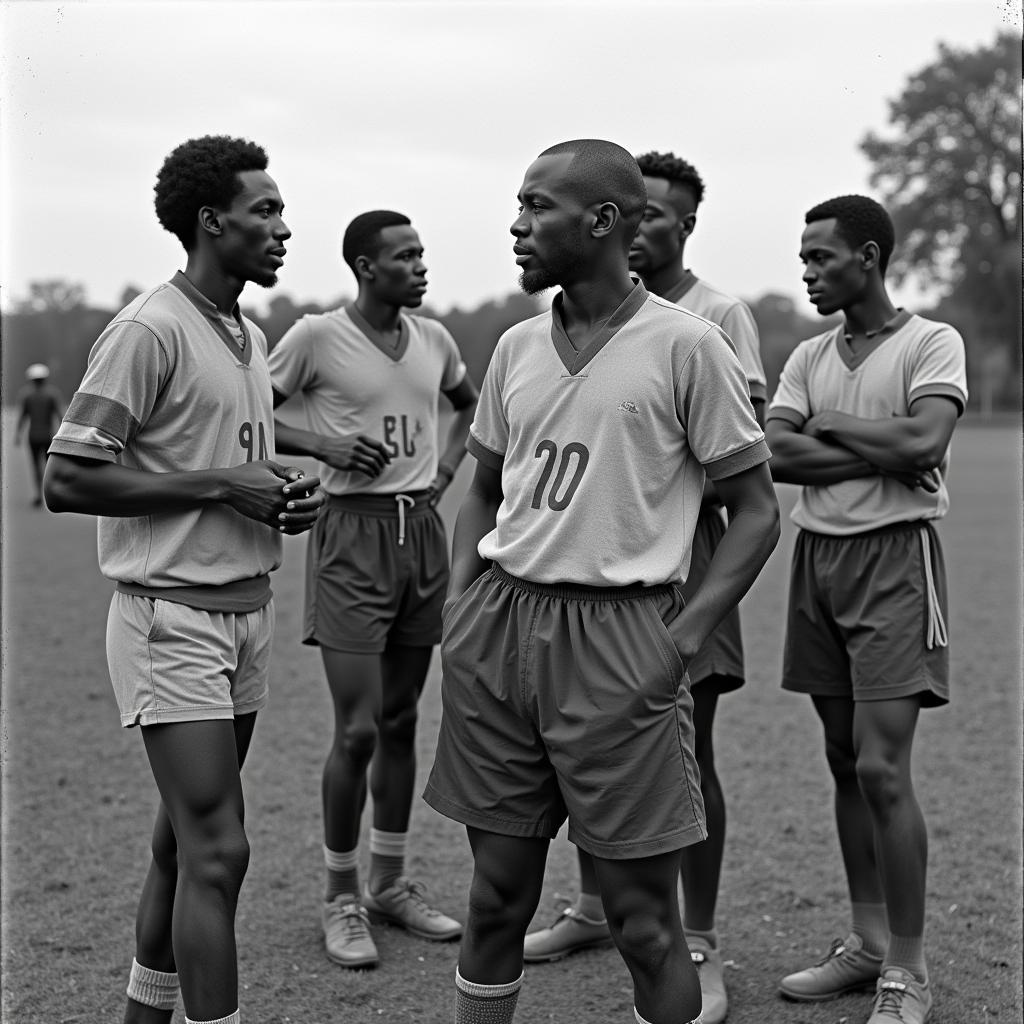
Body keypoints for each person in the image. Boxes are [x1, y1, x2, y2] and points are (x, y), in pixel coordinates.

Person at [423, 139, 780, 1024]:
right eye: (518, 204)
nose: (517, 223)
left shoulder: (688, 346)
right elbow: (482, 491)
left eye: (539, 205)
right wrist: (463, 606)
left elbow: (757, 511)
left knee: (644, 922)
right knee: (496, 897)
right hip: (501, 631)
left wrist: (682, 638)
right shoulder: (514, 346)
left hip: (624, 637)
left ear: (605, 221)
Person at [43, 135, 324, 1024]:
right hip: (174, 621)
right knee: (218, 854)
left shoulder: (249, 332)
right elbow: (68, 477)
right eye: (266, 210)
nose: (284, 228)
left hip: (248, 612)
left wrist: (276, 488)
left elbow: (227, 461)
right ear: (212, 221)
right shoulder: (147, 329)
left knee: (183, 841)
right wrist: (219, 484)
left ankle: (144, 1014)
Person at [523, 149, 767, 1024]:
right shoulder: (554, 326)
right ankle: (594, 909)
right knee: (589, 756)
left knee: (682, 752)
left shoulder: (711, 320)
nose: (650, 223)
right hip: (581, 575)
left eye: (665, 213)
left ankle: (692, 940)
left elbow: (746, 468)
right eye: (643, 209)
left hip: (681, 566)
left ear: (678, 224)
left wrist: (687, 623)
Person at [767, 194, 966, 1024]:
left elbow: (925, 445)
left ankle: (908, 970)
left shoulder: (931, 342)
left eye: (820, 258)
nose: (807, 272)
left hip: (896, 562)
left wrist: (838, 424)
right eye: (803, 258)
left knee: (883, 768)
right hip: (819, 562)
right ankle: (867, 941)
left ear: (870, 258)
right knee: (845, 759)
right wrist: (874, 445)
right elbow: (775, 451)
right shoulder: (809, 354)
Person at [268, 209, 478, 969]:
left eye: (423, 252)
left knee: (400, 720)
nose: (421, 266)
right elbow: (248, 408)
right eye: (405, 256)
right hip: (349, 535)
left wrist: (448, 473)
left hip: (419, 531)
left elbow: (468, 402)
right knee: (355, 729)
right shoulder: (318, 336)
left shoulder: (435, 339)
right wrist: (319, 442)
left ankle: (390, 883)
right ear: (365, 266)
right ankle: (340, 896)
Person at [16, 363, 64, 506]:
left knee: (36, 466)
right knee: (50, 467)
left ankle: (38, 494)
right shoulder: (51, 394)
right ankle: (50, 494)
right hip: (48, 436)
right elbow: (59, 416)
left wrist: (17, 434)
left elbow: (23, 416)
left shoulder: (27, 395)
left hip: (33, 436)